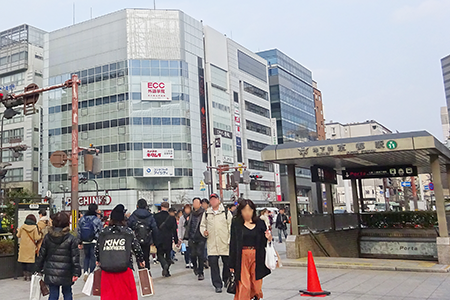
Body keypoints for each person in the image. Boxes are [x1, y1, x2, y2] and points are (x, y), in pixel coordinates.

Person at [95, 204, 145, 300]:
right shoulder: (127, 232)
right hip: (124, 268)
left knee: (109, 295)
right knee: (126, 294)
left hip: (107, 269)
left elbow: (97, 248)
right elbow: (136, 248)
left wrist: (98, 259)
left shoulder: (104, 232)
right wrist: (141, 260)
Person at [229, 199, 272, 300]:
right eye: (244, 210)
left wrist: (268, 238)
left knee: (256, 286)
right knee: (245, 286)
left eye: (249, 210)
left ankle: (254, 297)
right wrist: (231, 264)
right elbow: (233, 243)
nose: (247, 213)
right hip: (242, 256)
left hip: (257, 256)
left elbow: (264, 242)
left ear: (253, 210)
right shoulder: (236, 223)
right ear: (240, 211)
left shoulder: (260, 223)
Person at [35, 212, 81, 300]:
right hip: (67, 271)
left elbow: (42, 254)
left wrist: (38, 268)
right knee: (67, 292)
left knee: (53, 293)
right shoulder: (71, 238)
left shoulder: (48, 237)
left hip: (51, 270)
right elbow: (75, 257)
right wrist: (76, 272)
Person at [200, 193, 232, 293]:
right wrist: (204, 232)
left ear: (219, 200)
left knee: (227, 263)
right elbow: (202, 226)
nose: (213, 201)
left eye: (215, 199)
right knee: (213, 264)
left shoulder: (226, 212)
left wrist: (230, 240)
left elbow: (231, 227)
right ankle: (217, 284)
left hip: (224, 243)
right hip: (212, 243)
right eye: (211, 199)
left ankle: (226, 279)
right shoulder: (206, 213)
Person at [127, 199, 159, 270]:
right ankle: (147, 272)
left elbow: (128, 226)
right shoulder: (150, 215)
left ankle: (141, 269)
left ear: (137, 206)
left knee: (139, 256)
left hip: (136, 239)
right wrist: (155, 241)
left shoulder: (133, 215)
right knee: (146, 256)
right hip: (147, 239)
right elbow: (154, 228)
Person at [77, 203, 103, 280]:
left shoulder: (83, 219)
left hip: (85, 241)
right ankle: (91, 272)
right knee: (93, 257)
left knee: (86, 256)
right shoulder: (96, 220)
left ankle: (85, 271)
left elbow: (79, 231)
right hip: (94, 240)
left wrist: (80, 241)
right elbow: (100, 231)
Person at [154, 202, 179, 277]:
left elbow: (153, 228)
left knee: (160, 255)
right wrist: (176, 240)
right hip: (168, 239)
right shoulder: (171, 218)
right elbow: (174, 230)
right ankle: (167, 270)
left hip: (158, 238)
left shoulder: (155, 216)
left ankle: (164, 265)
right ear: (168, 207)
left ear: (161, 207)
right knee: (168, 256)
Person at [185, 197, 206, 280]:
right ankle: (195, 267)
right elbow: (187, 225)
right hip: (192, 237)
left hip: (200, 237)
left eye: (197, 203)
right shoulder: (191, 214)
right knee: (193, 255)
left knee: (200, 255)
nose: (195, 204)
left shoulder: (204, 213)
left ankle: (201, 272)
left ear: (200, 204)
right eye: (194, 203)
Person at [17, 214, 42, 281]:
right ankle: (29, 275)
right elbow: (36, 237)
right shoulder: (34, 227)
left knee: (23, 261)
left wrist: (18, 231)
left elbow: (18, 235)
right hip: (31, 246)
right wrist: (41, 235)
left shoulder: (22, 227)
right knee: (30, 261)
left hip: (23, 246)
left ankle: (25, 275)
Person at [178, 204, 192, 268]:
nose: (187, 210)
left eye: (188, 209)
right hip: (184, 236)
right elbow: (180, 227)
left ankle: (191, 261)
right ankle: (187, 262)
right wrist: (180, 237)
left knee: (191, 249)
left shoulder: (192, 216)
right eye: (186, 209)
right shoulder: (182, 217)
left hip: (191, 235)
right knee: (185, 250)